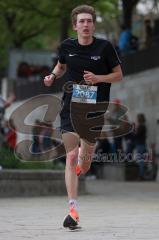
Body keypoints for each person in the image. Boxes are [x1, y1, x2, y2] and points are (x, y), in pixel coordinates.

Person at [44, 5, 122, 229]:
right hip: (70, 107)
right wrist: (51, 75)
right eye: (82, 21)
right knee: (71, 154)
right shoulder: (66, 46)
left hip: (95, 109)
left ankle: (81, 169)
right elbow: (60, 66)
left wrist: (98, 78)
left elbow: (118, 75)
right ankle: (72, 209)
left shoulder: (105, 47)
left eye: (89, 21)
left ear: (94, 24)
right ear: (75, 25)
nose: (85, 25)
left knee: (84, 163)